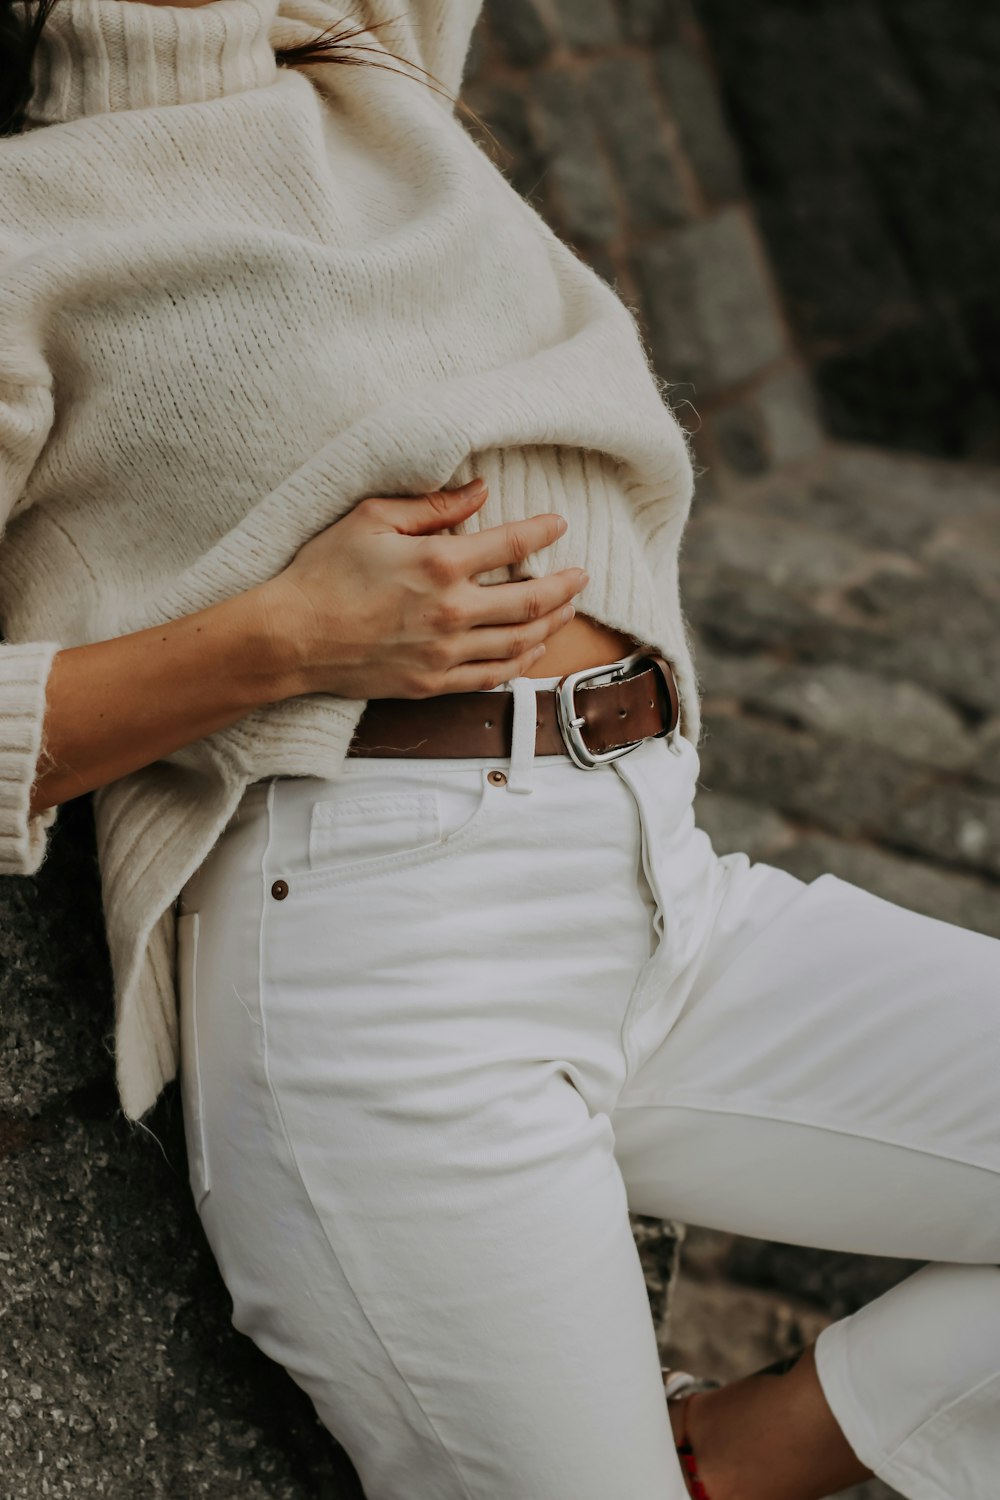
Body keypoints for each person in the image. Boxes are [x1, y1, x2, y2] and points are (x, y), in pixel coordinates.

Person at [0, 1, 996, 1496]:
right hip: (380, 962)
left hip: (662, 886)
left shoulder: (373, 74)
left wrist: (822, 1418)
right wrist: (288, 638)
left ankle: (756, 1446)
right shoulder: (30, 220)